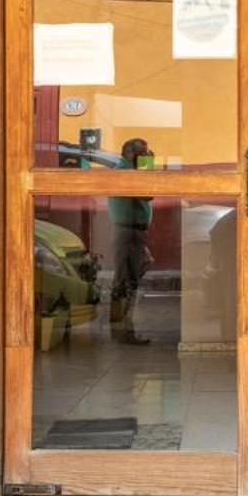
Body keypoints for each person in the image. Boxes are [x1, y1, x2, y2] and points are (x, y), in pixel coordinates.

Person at [108, 137, 154, 345]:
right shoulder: (125, 173)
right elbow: (148, 194)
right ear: (130, 154)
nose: (147, 155)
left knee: (127, 279)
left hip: (133, 232)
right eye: (143, 152)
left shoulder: (127, 170)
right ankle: (123, 331)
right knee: (127, 282)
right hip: (128, 233)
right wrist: (148, 166)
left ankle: (122, 329)